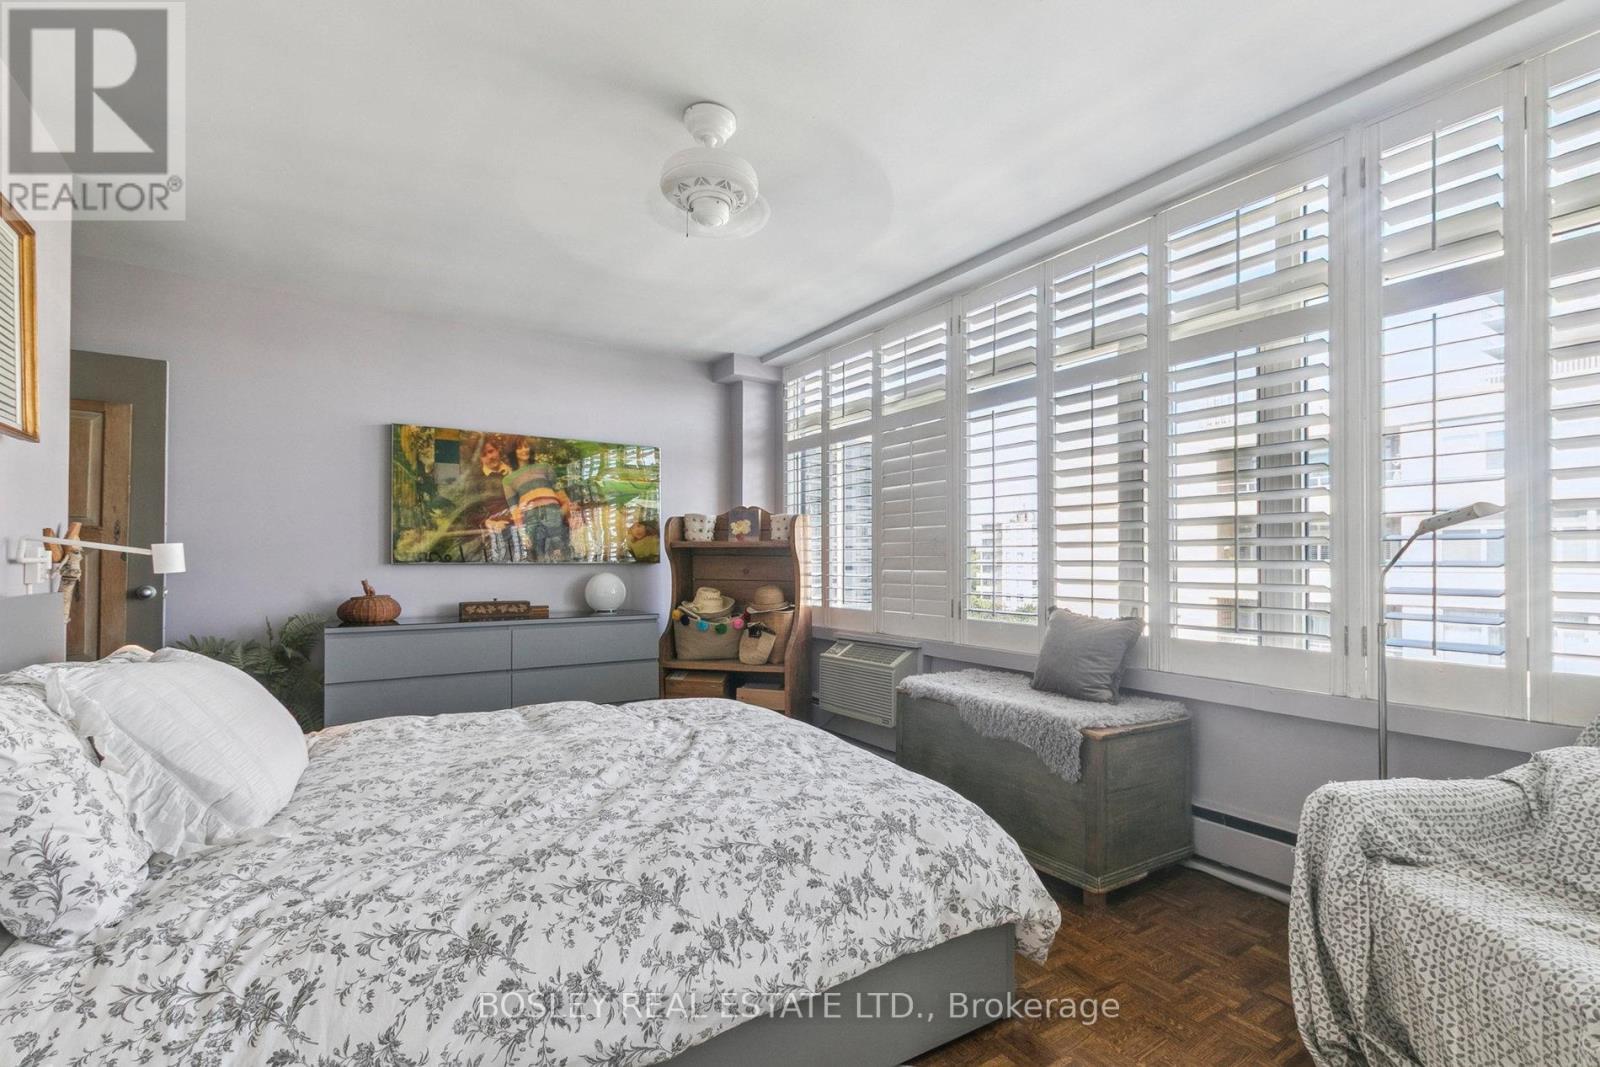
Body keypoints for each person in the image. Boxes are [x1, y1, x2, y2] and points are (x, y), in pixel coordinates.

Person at [503, 438, 574, 561]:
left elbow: (562, 495)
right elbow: (514, 509)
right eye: (519, 447)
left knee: (561, 555)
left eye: (526, 446)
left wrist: (564, 514)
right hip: (530, 518)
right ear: (513, 452)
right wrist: (522, 533)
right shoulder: (508, 480)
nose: (524, 449)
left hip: (553, 514)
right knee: (538, 558)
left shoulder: (545, 467)